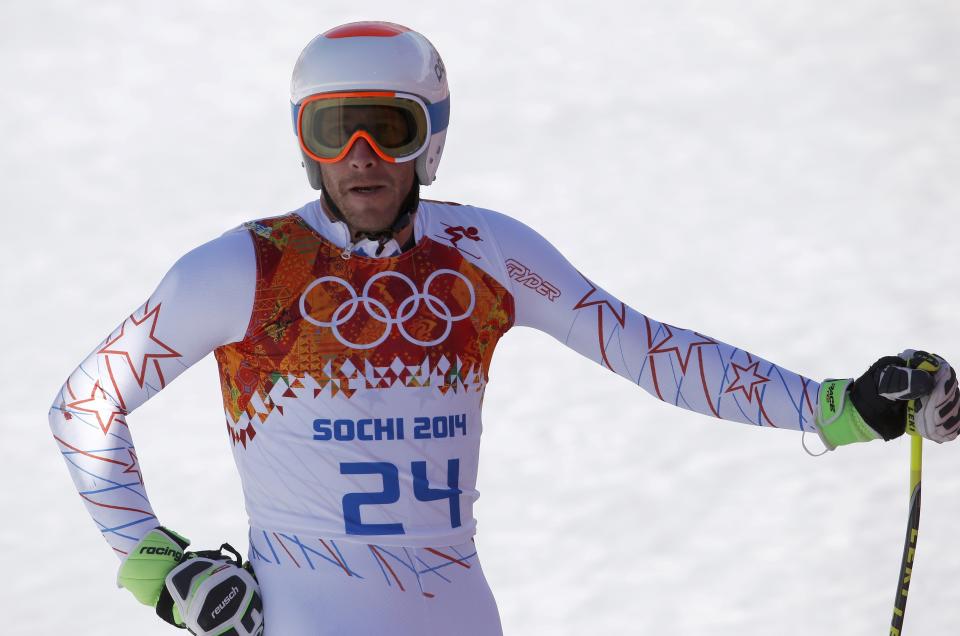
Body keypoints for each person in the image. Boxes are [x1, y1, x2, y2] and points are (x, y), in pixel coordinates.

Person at [48, 21, 960, 636]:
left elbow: (649, 351)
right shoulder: (245, 267)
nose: (360, 157)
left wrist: (841, 407)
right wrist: (156, 567)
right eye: (334, 130)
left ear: (430, 136)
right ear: (304, 141)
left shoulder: (485, 254)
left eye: (386, 127)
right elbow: (86, 407)